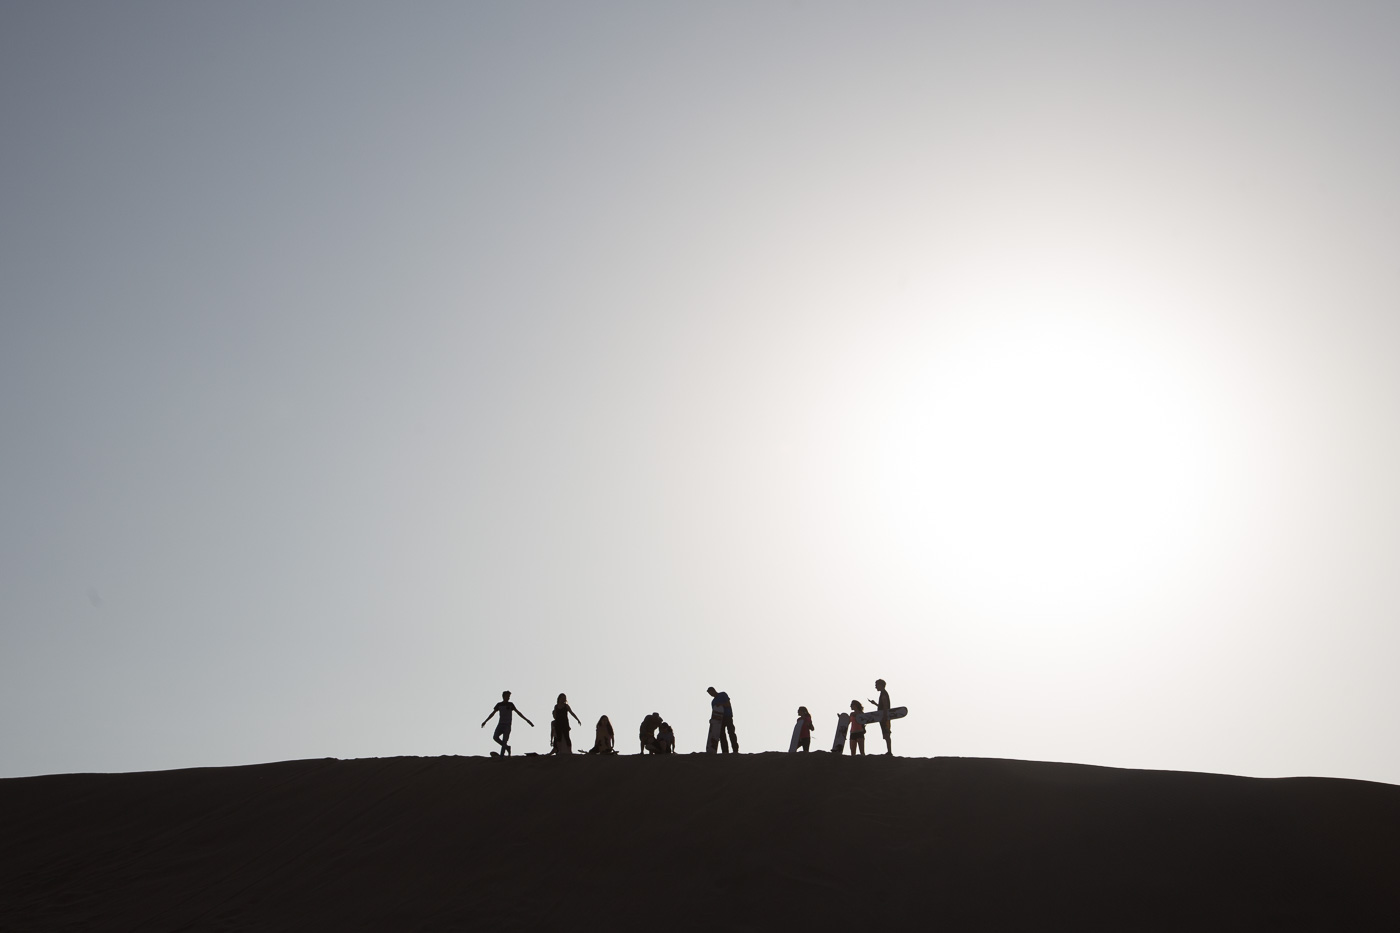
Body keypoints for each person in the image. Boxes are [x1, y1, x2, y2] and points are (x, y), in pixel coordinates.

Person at [480, 690, 533, 756]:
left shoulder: (511, 704)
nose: (508, 698)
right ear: (503, 696)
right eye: (507, 696)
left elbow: (518, 712)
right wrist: (485, 721)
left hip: (507, 725)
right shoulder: (499, 704)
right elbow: (492, 714)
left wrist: (527, 720)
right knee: (495, 737)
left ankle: (501, 756)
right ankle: (507, 747)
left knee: (504, 740)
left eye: (509, 696)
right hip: (500, 724)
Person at [706, 686, 738, 754]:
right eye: (710, 694)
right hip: (720, 720)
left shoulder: (723, 694)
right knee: (722, 736)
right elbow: (715, 712)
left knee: (731, 733)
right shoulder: (713, 702)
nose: (711, 695)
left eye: (711, 693)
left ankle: (735, 750)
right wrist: (712, 720)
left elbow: (728, 704)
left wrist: (721, 704)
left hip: (728, 717)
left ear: (714, 690)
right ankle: (725, 752)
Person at [869, 678, 893, 756]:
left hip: (884, 718)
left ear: (880, 685)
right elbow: (883, 706)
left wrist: (884, 717)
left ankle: (889, 751)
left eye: (876, 685)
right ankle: (889, 751)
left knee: (887, 734)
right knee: (886, 734)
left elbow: (885, 706)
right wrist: (875, 704)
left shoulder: (883, 694)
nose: (875, 687)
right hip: (884, 717)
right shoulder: (883, 693)